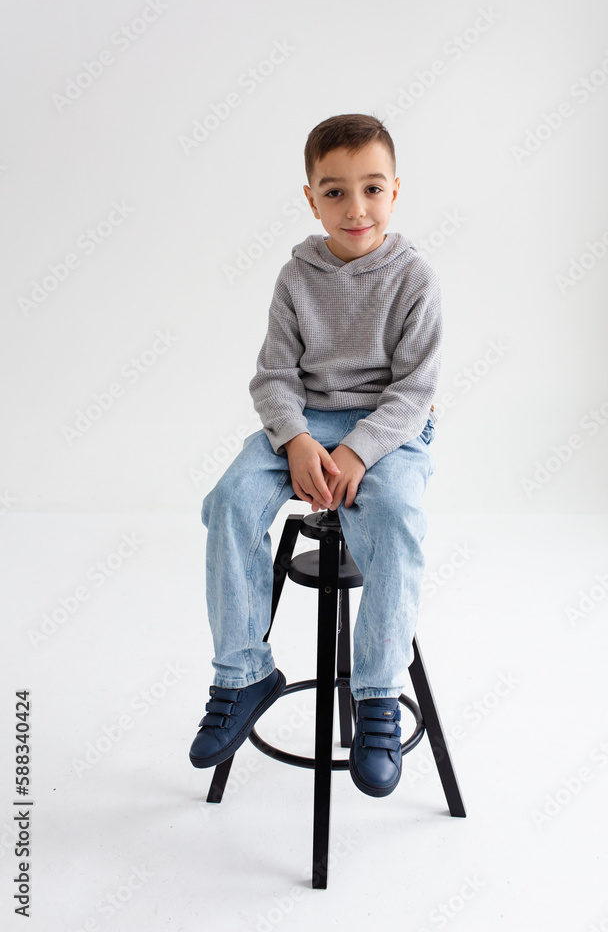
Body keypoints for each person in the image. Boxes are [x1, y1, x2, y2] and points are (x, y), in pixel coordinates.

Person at [189, 112, 442, 797]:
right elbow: (273, 376)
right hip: (305, 423)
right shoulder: (296, 277)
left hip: (390, 429)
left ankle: (377, 694)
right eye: (335, 192)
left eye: (372, 188)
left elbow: (414, 392)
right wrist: (296, 439)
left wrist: (358, 452)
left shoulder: (414, 278)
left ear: (395, 191)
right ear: (311, 199)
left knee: (393, 516)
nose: (355, 208)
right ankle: (243, 674)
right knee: (229, 500)